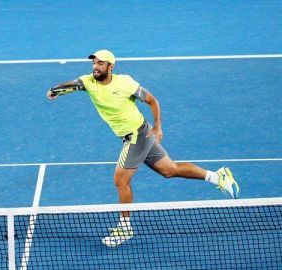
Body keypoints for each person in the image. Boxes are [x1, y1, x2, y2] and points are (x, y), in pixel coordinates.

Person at [46, 49, 240, 247]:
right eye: (94, 63)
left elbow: (152, 100)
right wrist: (55, 90)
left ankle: (124, 227)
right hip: (139, 134)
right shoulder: (88, 81)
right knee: (169, 170)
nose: (95, 67)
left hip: (137, 136)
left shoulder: (125, 83)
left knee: (120, 180)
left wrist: (158, 126)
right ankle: (218, 176)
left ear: (110, 67)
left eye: (100, 63)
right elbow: (72, 85)